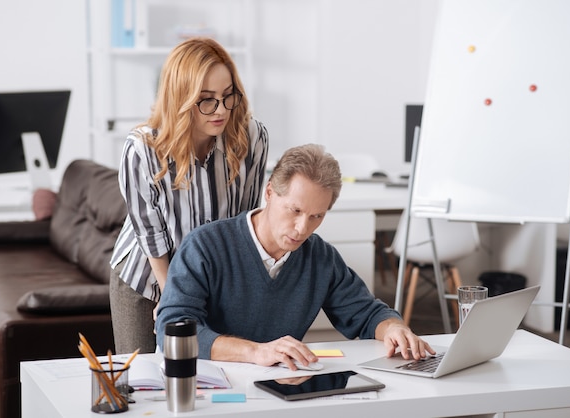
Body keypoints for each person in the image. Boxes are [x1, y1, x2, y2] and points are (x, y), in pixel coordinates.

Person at [156, 144, 434, 370]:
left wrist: (395, 328)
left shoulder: (320, 257)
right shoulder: (205, 245)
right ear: (269, 193)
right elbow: (172, 329)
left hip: (281, 385)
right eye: (295, 210)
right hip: (209, 382)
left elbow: (367, 313)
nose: (303, 229)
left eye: (317, 216)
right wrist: (256, 352)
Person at [109, 37, 269, 354]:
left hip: (212, 279)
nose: (221, 110)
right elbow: (150, 234)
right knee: (145, 383)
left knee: (211, 378)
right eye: (207, 100)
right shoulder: (143, 148)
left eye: (228, 96)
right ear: (181, 98)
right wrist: (173, 301)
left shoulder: (251, 138)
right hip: (147, 277)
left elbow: (244, 224)